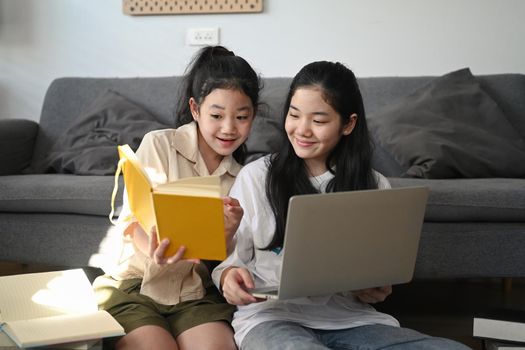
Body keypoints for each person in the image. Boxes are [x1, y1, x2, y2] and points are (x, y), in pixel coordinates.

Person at [212, 61, 471, 350]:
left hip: (352, 320)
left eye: (319, 121)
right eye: (294, 115)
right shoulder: (257, 176)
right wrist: (227, 277)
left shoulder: (374, 186)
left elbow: (377, 274)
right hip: (270, 319)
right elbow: (230, 261)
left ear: (348, 124)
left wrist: (375, 289)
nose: (302, 130)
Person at [94, 45, 261, 350]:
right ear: (196, 109)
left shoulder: (243, 177)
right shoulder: (159, 145)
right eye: (216, 115)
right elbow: (131, 222)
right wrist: (155, 249)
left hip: (194, 293)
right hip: (135, 286)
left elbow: (222, 260)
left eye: (241, 116)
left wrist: (228, 230)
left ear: (254, 115)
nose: (228, 128)